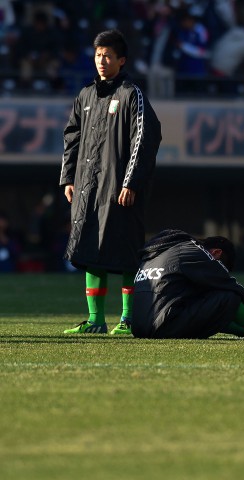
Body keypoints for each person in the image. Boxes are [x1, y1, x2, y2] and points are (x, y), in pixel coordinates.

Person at [60, 29, 162, 335]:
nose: (101, 61)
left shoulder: (132, 95)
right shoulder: (85, 96)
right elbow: (71, 138)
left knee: (126, 251)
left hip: (120, 189)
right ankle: (95, 320)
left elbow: (144, 139)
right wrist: (68, 178)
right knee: (90, 248)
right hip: (87, 187)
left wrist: (130, 182)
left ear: (121, 60)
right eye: (97, 55)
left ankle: (127, 319)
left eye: (107, 56)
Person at [131, 229, 244, 340]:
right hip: (163, 325)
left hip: (139, 328)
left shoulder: (164, 252)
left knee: (209, 299)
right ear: (217, 253)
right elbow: (229, 284)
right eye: (222, 266)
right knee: (228, 297)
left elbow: (208, 314)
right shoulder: (196, 250)